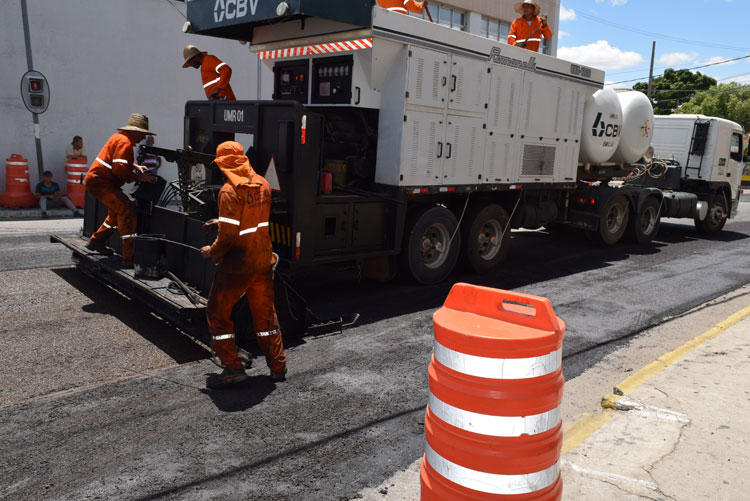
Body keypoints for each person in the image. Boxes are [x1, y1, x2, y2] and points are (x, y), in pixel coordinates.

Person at [200, 141, 287, 389]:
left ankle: (233, 368)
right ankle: (278, 366)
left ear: (225, 164)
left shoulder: (228, 192)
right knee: (265, 316)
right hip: (262, 262)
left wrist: (211, 251)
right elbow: (252, 220)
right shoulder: (264, 184)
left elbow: (228, 238)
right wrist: (221, 220)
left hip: (237, 267)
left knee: (217, 314)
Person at [83, 113, 158, 267]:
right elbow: (119, 170)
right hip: (101, 182)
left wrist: (135, 167)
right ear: (136, 131)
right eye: (143, 134)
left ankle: (96, 241)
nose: (143, 137)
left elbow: (119, 162)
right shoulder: (125, 143)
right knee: (126, 209)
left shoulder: (120, 138)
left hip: (99, 181)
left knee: (116, 213)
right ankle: (129, 257)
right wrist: (139, 178)